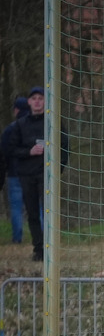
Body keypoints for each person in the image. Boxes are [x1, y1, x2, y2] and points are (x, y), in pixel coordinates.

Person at [1, 86, 69, 261]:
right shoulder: (20, 125)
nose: (37, 101)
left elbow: (64, 148)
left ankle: (51, 247)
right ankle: (38, 249)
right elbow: (11, 149)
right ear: (29, 102)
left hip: (47, 176)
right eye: (34, 98)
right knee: (32, 213)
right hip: (26, 175)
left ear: (46, 101)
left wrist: (57, 171)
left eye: (41, 98)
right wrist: (28, 152)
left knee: (49, 212)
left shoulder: (53, 122)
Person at [1, 96, 31, 244]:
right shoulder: (35, 126)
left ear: (16, 110)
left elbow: (4, 152)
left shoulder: (9, 130)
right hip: (33, 173)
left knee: (16, 208)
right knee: (38, 207)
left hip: (14, 174)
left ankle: (17, 238)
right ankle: (43, 236)